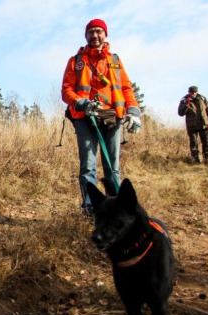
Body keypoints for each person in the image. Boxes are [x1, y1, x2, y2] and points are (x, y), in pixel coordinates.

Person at [62, 18, 141, 215]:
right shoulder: (76, 61)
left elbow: (126, 88)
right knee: (88, 167)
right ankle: (90, 207)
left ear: (105, 34)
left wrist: (133, 112)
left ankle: (115, 208)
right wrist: (81, 102)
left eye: (99, 31)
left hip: (112, 119)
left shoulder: (114, 61)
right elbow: (66, 90)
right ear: (86, 35)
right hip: (85, 119)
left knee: (112, 167)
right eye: (91, 32)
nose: (95, 35)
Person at [178, 86, 208, 164]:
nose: (193, 94)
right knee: (194, 143)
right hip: (192, 126)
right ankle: (196, 161)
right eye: (191, 93)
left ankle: (206, 160)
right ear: (189, 92)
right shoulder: (184, 100)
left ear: (197, 92)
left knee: (207, 143)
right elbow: (180, 113)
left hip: (204, 124)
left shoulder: (203, 98)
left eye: (194, 92)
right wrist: (186, 104)